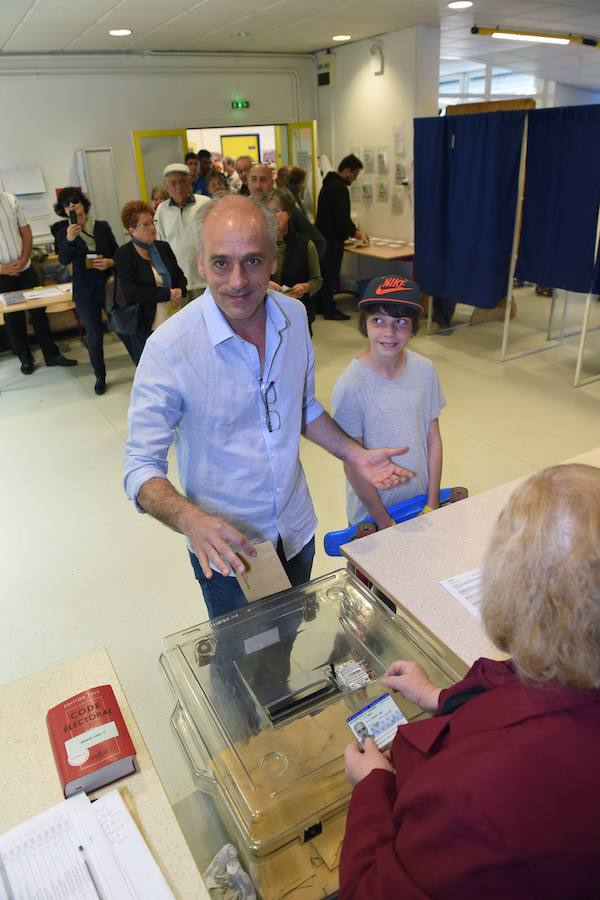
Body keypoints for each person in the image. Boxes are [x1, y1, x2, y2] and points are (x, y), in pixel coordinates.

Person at [124, 194, 414, 619]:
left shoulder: (293, 318)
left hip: (296, 528)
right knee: (245, 654)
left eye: (253, 261)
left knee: (290, 631)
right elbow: (140, 467)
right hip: (231, 549)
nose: (238, 280)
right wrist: (190, 520)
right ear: (201, 263)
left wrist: (355, 454)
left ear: (273, 259)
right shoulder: (170, 349)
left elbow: (303, 407)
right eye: (221, 263)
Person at [340, 462, 600, 900]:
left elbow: (369, 891)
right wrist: (440, 696)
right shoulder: (574, 661)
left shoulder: (472, 797)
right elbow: (523, 680)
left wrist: (371, 789)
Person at [332, 276, 443, 528]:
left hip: (420, 501)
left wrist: (433, 502)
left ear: (413, 327)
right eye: (378, 320)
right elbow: (353, 464)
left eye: (400, 322)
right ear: (365, 323)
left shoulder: (425, 370)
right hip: (372, 516)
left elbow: (433, 439)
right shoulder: (351, 385)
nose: (389, 333)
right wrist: (383, 521)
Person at [0, 190, 76, 375]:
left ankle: (51, 354)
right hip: (2, 274)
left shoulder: (10, 200)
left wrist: (24, 259)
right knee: (13, 318)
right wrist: (2, 269)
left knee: (39, 312)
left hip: (25, 267)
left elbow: (26, 232)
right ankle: (25, 358)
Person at [54, 186, 118, 394]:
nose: (72, 206)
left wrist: (110, 262)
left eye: (75, 201)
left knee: (122, 325)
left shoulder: (101, 226)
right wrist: (70, 240)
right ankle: (100, 376)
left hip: (107, 285)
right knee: (94, 335)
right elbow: (64, 259)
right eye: (67, 204)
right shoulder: (63, 233)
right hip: (84, 291)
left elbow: (117, 253)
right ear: (64, 210)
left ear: (83, 204)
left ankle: (142, 362)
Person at [114, 201, 187, 364]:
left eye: (152, 222)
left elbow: (180, 276)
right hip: (146, 322)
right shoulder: (124, 255)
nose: (152, 228)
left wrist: (179, 290)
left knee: (179, 363)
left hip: (173, 316)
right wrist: (167, 294)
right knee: (154, 367)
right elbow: (132, 292)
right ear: (132, 230)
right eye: (145, 224)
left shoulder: (163, 247)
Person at [315, 153, 366, 321]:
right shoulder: (339, 188)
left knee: (324, 274)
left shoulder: (328, 184)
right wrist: (355, 232)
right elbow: (341, 217)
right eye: (354, 174)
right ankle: (329, 309)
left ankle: (322, 305)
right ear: (347, 170)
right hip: (332, 240)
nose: (354, 178)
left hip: (323, 238)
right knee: (330, 275)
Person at [266, 189, 322, 333]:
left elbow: (317, 280)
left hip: (297, 312)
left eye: (276, 211)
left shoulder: (305, 245)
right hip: (266, 313)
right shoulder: (259, 245)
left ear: (289, 213)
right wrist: (265, 284)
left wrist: (305, 287)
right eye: (268, 212)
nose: (272, 217)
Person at [154, 163, 211, 301]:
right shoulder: (161, 210)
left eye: (182, 181)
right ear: (166, 186)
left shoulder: (205, 204)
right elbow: (158, 246)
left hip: (204, 279)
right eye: (173, 183)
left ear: (190, 181)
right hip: (177, 284)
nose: (178, 187)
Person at [248, 163, 326, 260]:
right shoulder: (242, 208)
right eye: (254, 179)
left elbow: (319, 242)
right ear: (248, 181)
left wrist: (303, 265)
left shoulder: (284, 207)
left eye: (263, 180)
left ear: (272, 182)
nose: (258, 185)